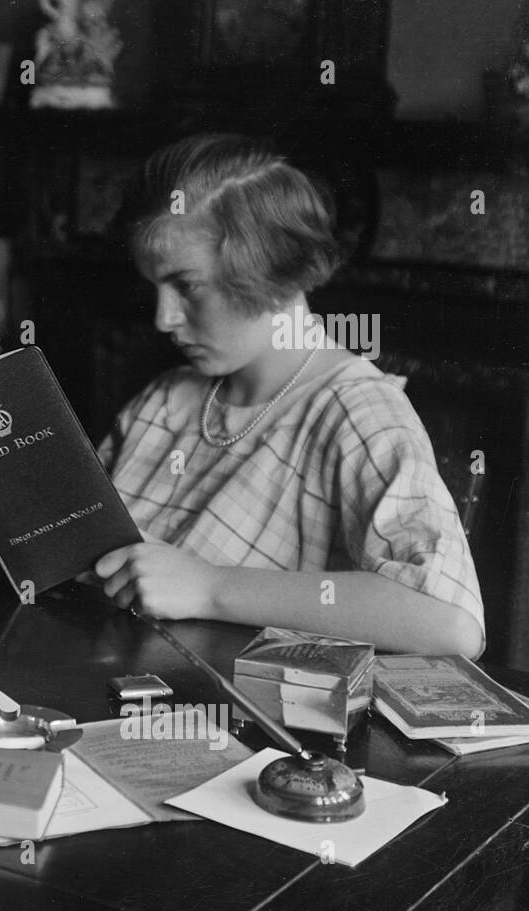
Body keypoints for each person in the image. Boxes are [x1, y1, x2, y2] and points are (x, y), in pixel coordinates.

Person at [91, 134, 484, 657]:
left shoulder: (355, 412)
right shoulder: (165, 399)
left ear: (269, 266)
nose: (163, 319)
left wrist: (210, 588)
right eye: (155, 289)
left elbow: (450, 622)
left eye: (187, 286)